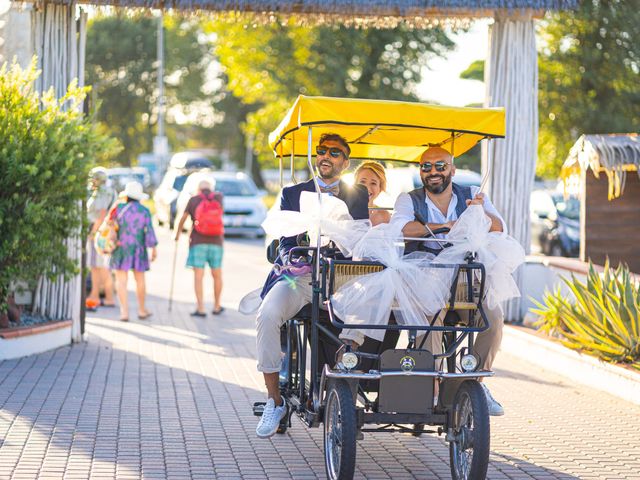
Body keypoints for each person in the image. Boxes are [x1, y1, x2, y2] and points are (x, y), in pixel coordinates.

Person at [255, 133, 369, 438]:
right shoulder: (293, 193)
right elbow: (283, 241)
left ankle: (343, 385)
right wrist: (291, 260)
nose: (326, 156)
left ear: (345, 162)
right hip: (300, 277)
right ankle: (274, 400)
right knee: (267, 315)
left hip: (339, 278)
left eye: (335, 152)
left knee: (366, 307)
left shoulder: (356, 194)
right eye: (321, 151)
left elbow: (357, 239)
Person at [389, 146, 507, 416]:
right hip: (425, 274)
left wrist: (480, 214)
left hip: (463, 280)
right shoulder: (409, 199)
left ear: (452, 170)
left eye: (440, 166)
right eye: (426, 167)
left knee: (493, 318)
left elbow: (499, 227)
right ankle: (430, 388)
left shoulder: (472, 194)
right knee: (430, 318)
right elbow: (401, 229)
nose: (433, 172)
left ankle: (473, 384)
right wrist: (447, 226)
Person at [109, 181, 158, 322]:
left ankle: (124, 313)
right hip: (138, 247)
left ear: (126, 195)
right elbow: (149, 231)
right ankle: (142, 310)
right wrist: (153, 248)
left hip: (121, 246)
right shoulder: (144, 211)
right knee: (140, 280)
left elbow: (111, 227)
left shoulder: (117, 209)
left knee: (121, 280)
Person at [174, 179, 225, 317]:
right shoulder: (219, 198)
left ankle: (201, 308)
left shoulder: (193, 200)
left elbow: (183, 218)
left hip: (198, 242)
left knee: (198, 276)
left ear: (198, 189)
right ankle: (216, 306)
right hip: (217, 242)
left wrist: (177, 235)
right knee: (217, 275)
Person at [86, 167, 117, 310]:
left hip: (99, 231)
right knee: (96, 266)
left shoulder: (102, 192)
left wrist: (93, 233)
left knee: (101, 266)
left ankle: (108, 298)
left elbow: (102, 213)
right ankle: (94, 296)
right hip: (104, 231)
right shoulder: (110, 191)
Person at [354, 160, 391, 226]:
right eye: (362, 182)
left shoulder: (385, 216)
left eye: (373, 183)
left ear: (380, 188)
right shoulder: (343, 211)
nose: (367, 188)